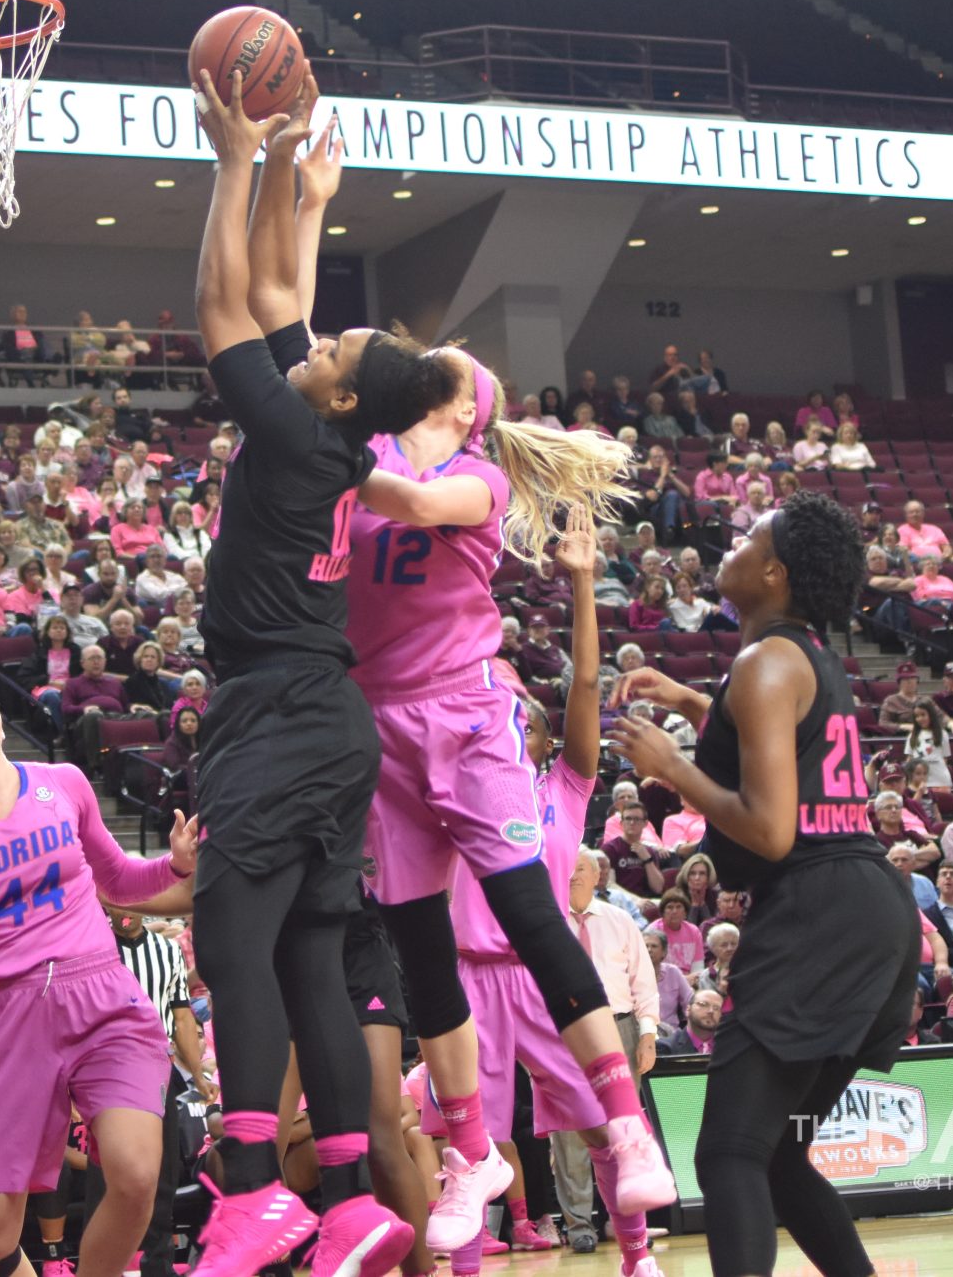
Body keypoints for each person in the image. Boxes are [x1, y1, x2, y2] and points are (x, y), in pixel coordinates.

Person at [186, 70, 458, 1277]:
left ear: (340, 390)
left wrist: (232, 159)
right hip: (327, 724)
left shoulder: (296, 426)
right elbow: (286, 300)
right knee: (306, 957)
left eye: (338, 346)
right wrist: (305, 191)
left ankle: (251, 1189)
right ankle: (346, 1195)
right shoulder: (331, 424)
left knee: (234, 943)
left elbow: (220, 307)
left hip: (279, 715)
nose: (319, 336)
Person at [339, 345, 672, 1254]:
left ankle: (625, 1120)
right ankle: (472, 1153)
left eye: (438, 358)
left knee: (531, 911)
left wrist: (319, 439)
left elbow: (402, 501)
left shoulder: (475, 475)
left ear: (460, 402)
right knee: (417, 939)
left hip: (465, 709)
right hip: (380, 723)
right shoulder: (366, 444)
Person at [607, 492, 915, 1277]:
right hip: (869, 907)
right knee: (777, 1156)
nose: (733, 544)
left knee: (730, 1151)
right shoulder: (799, 654)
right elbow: (779, 747)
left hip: (820, 909)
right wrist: (688, 703)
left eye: (748, 536)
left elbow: (772, 828)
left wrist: (673, 766)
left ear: (773, 571)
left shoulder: (765, 660)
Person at [0, 673, 195, 1277]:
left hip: (104, 996)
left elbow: (118, 882)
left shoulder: (64, 783)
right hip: (9, 1016)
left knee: (135, 1174)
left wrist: (173, 865)